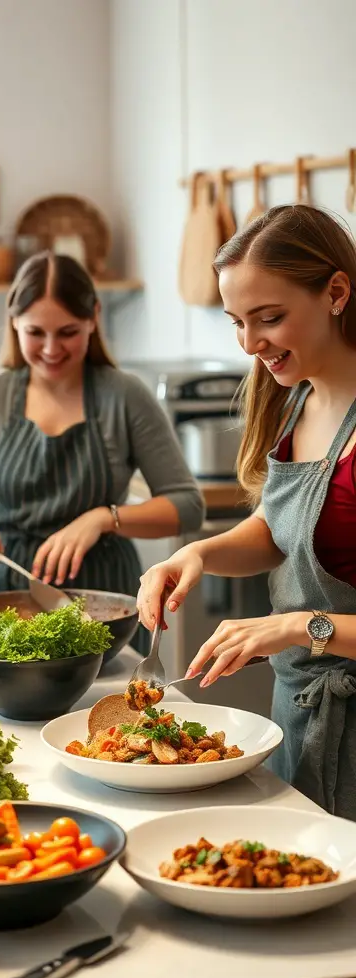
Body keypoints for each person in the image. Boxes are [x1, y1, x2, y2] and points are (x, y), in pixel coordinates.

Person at [137, 204, 356, 817]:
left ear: (336, 292)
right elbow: (280, 530)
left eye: (270, 319)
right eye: (237, 322)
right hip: (301, 711)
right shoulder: (297, 400)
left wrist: (296, 626)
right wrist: (198, 553)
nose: (251, 344)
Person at [0, 251, 204, 649]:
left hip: (105, 602)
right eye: (36, 332)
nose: (51, 349)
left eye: (68, 332)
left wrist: (103, 519)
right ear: (13, 320)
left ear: (93, 318)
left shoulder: (124, 396)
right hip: (5, 595)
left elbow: (187, 506)